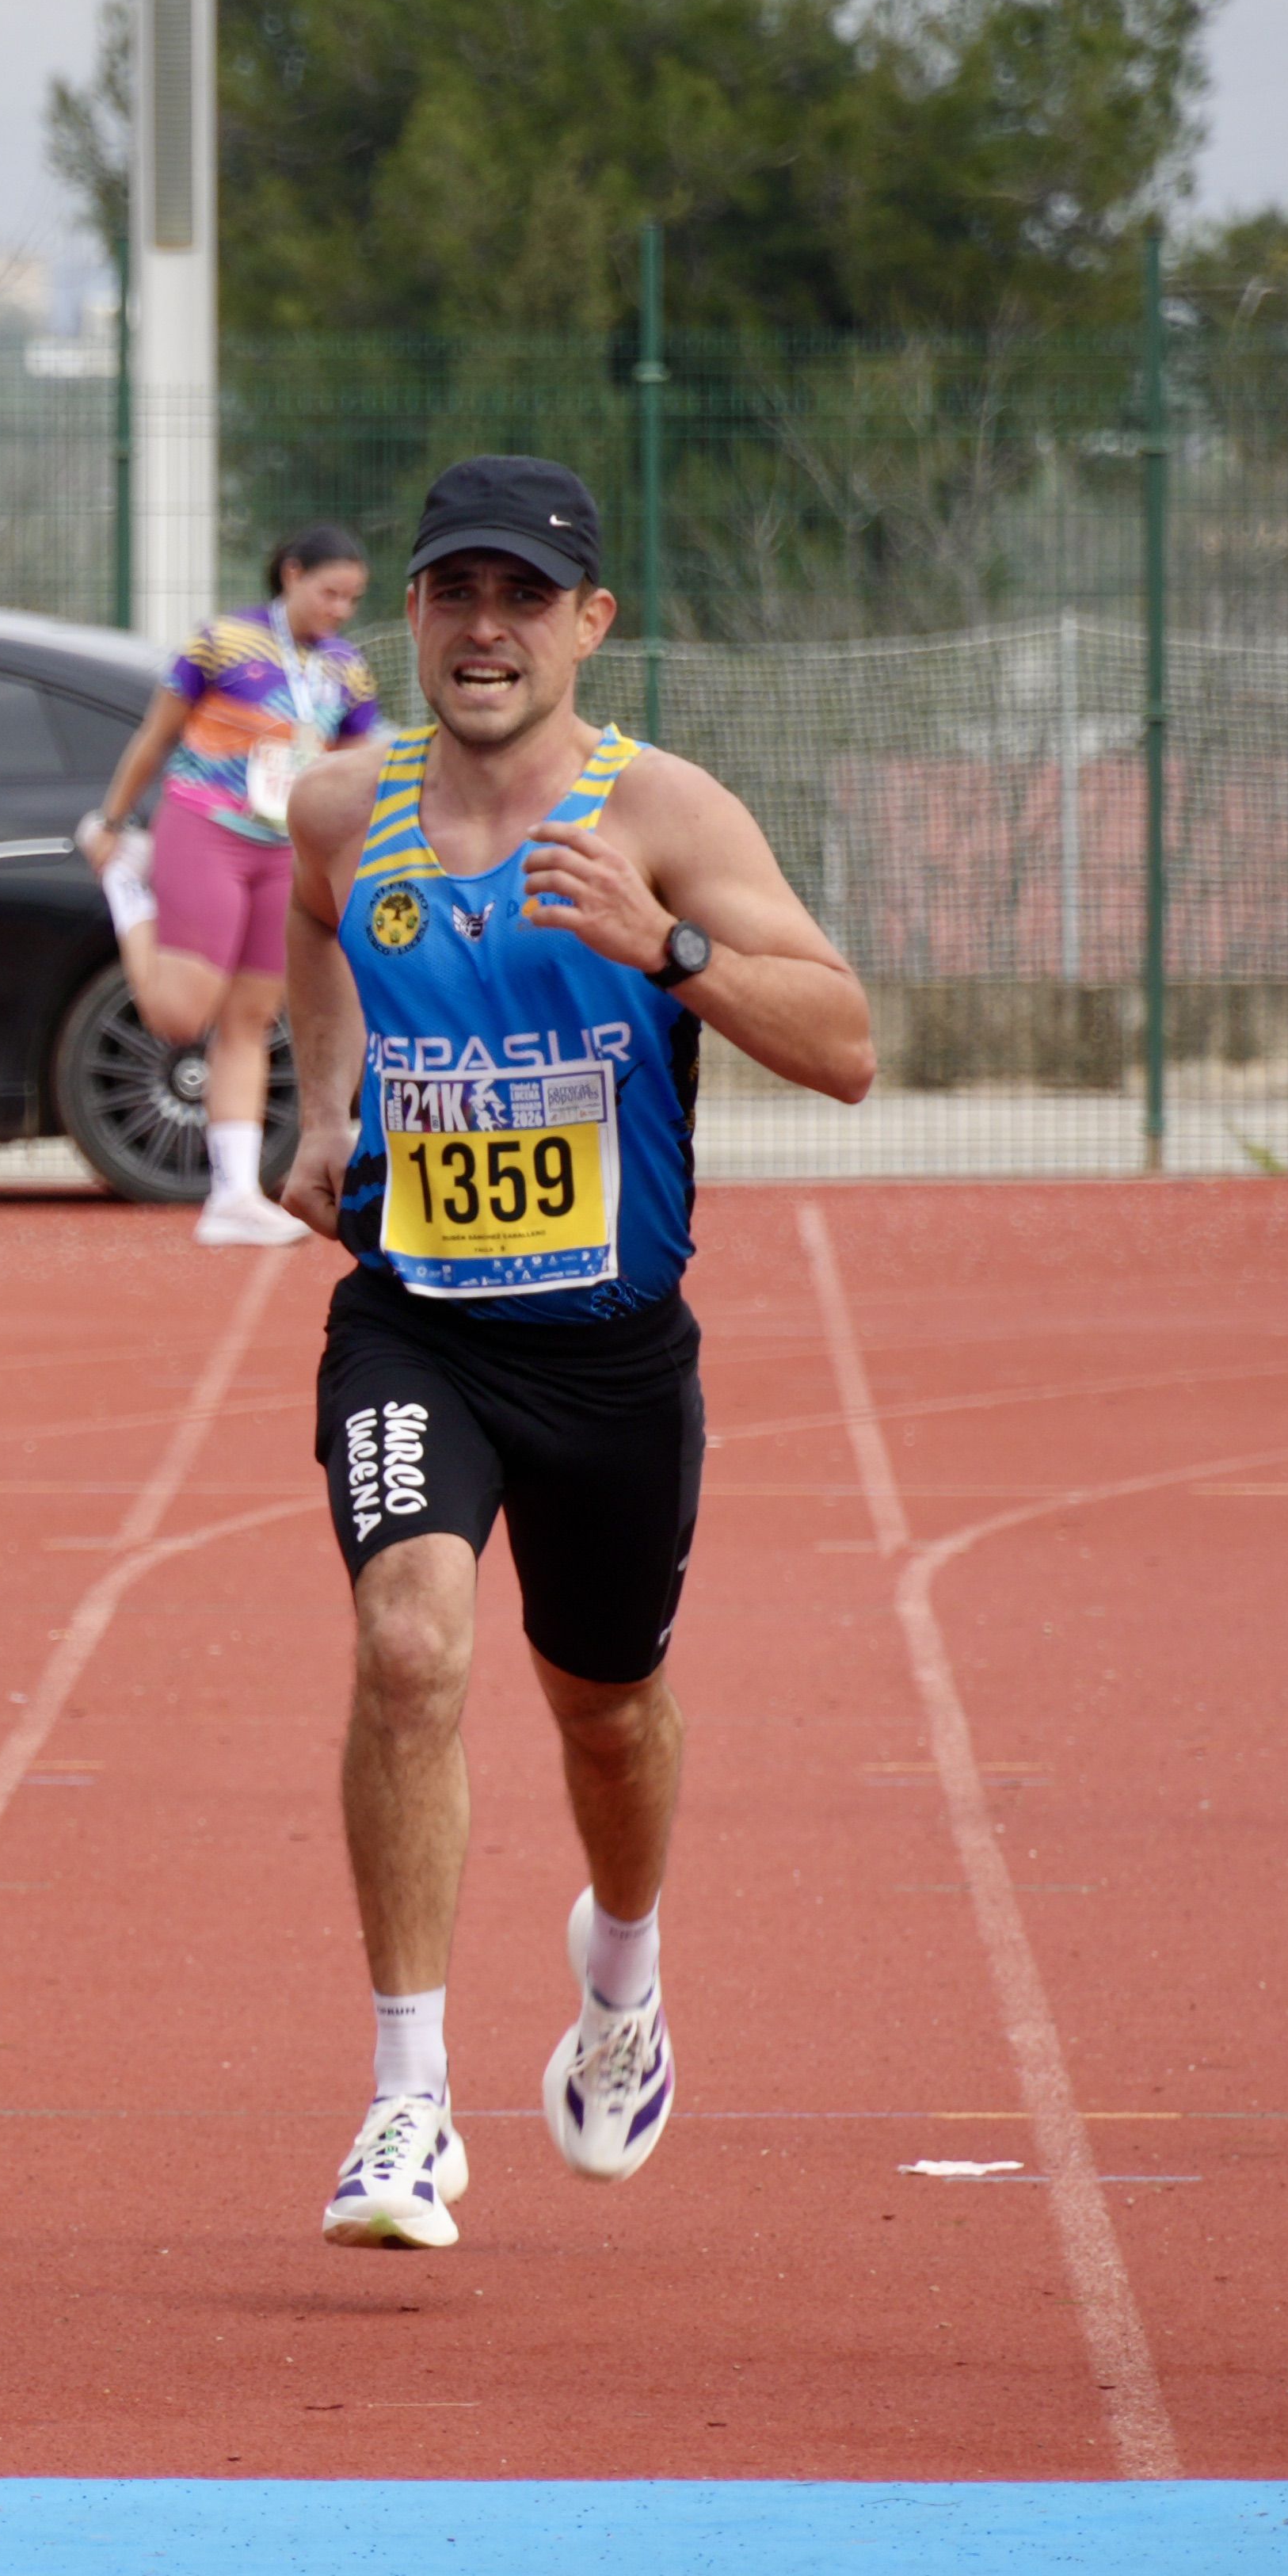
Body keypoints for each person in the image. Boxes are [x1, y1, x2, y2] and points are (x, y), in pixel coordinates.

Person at [274, 456, 873, 2252]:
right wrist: (324, 1110)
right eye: (452, 593)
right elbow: (310, 933)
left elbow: (843, 1043)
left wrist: (663, 944)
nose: (482, 630)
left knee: (604, 1713)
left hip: (611, 1355)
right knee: (406, 1646)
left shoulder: (664, 811)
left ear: (586, 625)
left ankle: (620, 1982)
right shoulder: (336, 810)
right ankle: (403, 2104)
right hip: (416, 1324)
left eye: (521, 599)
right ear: (411, 614)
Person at [81, 521, 387, 1250]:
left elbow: (355, 768)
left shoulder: (348, 670)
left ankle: (234, 1194)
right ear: (290, 575)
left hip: (285, 849)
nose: (341, 609)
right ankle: (130, 888)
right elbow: (156, 736)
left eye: (352, 598)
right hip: (206, 828)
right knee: (180, 1015)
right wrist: (115, 822)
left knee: (250, 1017)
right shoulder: (217, 643)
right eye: (330, 592)